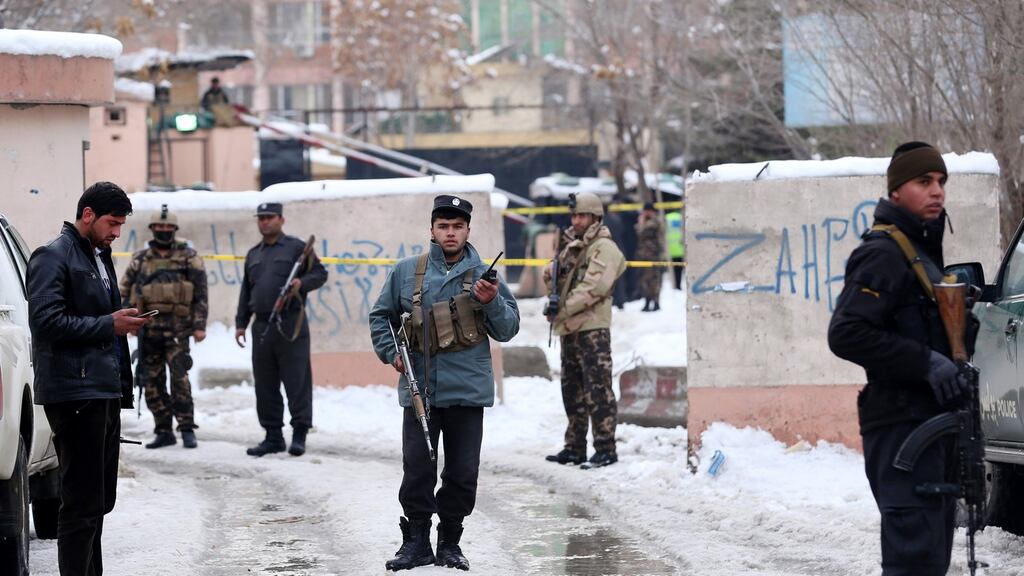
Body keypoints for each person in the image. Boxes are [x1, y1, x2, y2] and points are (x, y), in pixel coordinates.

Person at [828, 142, 973, 575]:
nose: (937, 192)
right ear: (896, 192)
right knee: (913, 562)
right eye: (923, 182)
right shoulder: (884, 253)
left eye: (942, 182)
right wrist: (926, 362)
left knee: (928, 562)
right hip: (901, 432)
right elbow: (846, 333)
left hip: (928, 429)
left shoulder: (920, 254)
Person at [369, 195, 520, 571]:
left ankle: (450, 542)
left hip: (467, 392)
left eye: (457, 226)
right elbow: (380, 315)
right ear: (432, 230)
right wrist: (392, 354)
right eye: (443, 226)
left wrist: (491, 302)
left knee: (463, 473)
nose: (450, 233)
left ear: (468, 230)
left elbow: (508, 329)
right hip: (422, 390)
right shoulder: (408, 271)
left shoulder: (485, 275)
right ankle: (416, 542)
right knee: (418, 468)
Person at [27, 182, 149, 576]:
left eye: (121, 225)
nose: (116, 232)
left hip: (101, 390)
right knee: (80, 504)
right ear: (88, 215)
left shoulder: (98, 256)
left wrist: (116, 322)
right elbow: (45, 322)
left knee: (98, 502)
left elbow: (97, 320)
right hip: (74, 392)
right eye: (112, 223)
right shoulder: (52, 256)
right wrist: (108, 324)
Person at [235, 202, 327, 457]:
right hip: (262, 325)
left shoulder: (297, 248)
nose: (265, 222)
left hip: (291, 324)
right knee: (265, 384)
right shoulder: (254, 254)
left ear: (281, 220)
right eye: (261, 218)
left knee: (297, 380)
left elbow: (320, 274)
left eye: (269, 217)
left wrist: (301, 283)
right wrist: (241, 323)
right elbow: (247, 291)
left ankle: (299, 433)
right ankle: (272, 435)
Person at [543, 191, 626, 469]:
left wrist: (560, 310)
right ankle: (575, 446)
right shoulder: (575, 246)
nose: (576, 220)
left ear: (594, 217)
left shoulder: (604, 248)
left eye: (581, 216)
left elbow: (594, 288)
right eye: (574, 215)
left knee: (597, 389)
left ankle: (605, 447)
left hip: (592, 328)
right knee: (572, 389)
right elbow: (552, 276)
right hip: (570, 328)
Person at [120, 204, 208, 449]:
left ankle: (187, 428)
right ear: (152, 229)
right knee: (151, 382)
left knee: (180, 380)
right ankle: (163, 429)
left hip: (178, 331)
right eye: (159, 227)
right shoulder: (140, 259)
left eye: (168, 227)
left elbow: (201, 293)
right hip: (149, 332)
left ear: (175, 230)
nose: (163, 231)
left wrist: (199, 325)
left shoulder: (188, 257)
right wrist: (130, 321)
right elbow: (124, 291)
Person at [634, 202, 666, 311]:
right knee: (645, 280)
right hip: (644, 256)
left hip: (655, 256)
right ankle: (647, 301)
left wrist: (641, 223)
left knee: (655, 280)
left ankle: (656, 302)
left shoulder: (655, 222)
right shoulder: (647, 221)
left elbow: (643, 230)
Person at [664, 209, 684, 290]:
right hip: (680, 249)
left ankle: (674, 286)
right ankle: (678, 286)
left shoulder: (666, 218)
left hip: (670, 249)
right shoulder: (681, 218)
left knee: (672, 271)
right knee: (679, 270)